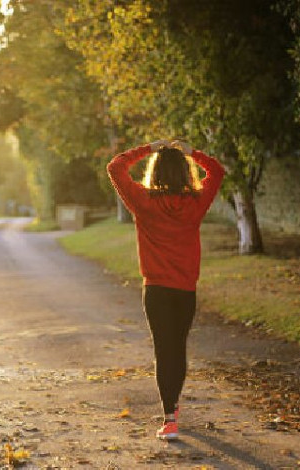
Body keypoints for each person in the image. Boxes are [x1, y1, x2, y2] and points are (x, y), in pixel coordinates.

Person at [107, 139, 225, 441]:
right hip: (185, 290)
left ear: (155, 172)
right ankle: (173, 407)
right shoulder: (196, 203)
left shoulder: (143, 201)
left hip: (156, 290)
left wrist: (148, 148)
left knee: (164, 349)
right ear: (185, 173)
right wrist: (192, 152)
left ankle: (169, 417)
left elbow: (115, 167)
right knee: (178, 348)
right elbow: (217, 171)